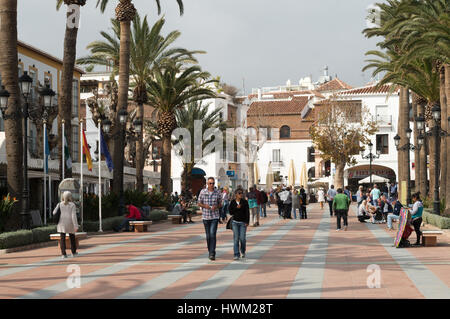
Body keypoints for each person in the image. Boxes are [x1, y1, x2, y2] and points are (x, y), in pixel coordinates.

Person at [197, 177, 222, 261]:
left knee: (212, 234)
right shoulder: (203, 192)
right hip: (206, 216)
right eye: (210, 183)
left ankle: (212, 253)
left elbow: (220, 204)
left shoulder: (217, 192)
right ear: (207, 184)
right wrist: (205, 206)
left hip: (214, 216)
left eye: (213, 183)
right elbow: (199, 203)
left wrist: (216, 206)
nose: (212, 185)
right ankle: (210, 250)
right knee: (208, 236)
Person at [53, 191, 79, 259]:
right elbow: (73, 216)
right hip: (70, 223)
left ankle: (63, 254)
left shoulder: (60, 204)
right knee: (72, 238)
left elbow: (54, 212)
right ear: (70, 197)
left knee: (62, 239)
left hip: (61, 223)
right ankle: (73, 252)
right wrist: (76, 225)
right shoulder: (72, 205)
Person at [229, 189, 250, 260]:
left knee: (242, 238)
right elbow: (230, 212)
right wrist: (236, 208)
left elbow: (247, 212)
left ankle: (243, 251)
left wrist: (247, 222)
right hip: (235, 222)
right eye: (239, 193)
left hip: (243, 223)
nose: (241, 194)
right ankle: (236, 254)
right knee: (236, 238)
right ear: (236, 194)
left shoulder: (244, 202)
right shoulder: (232, 202)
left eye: (242, 193)